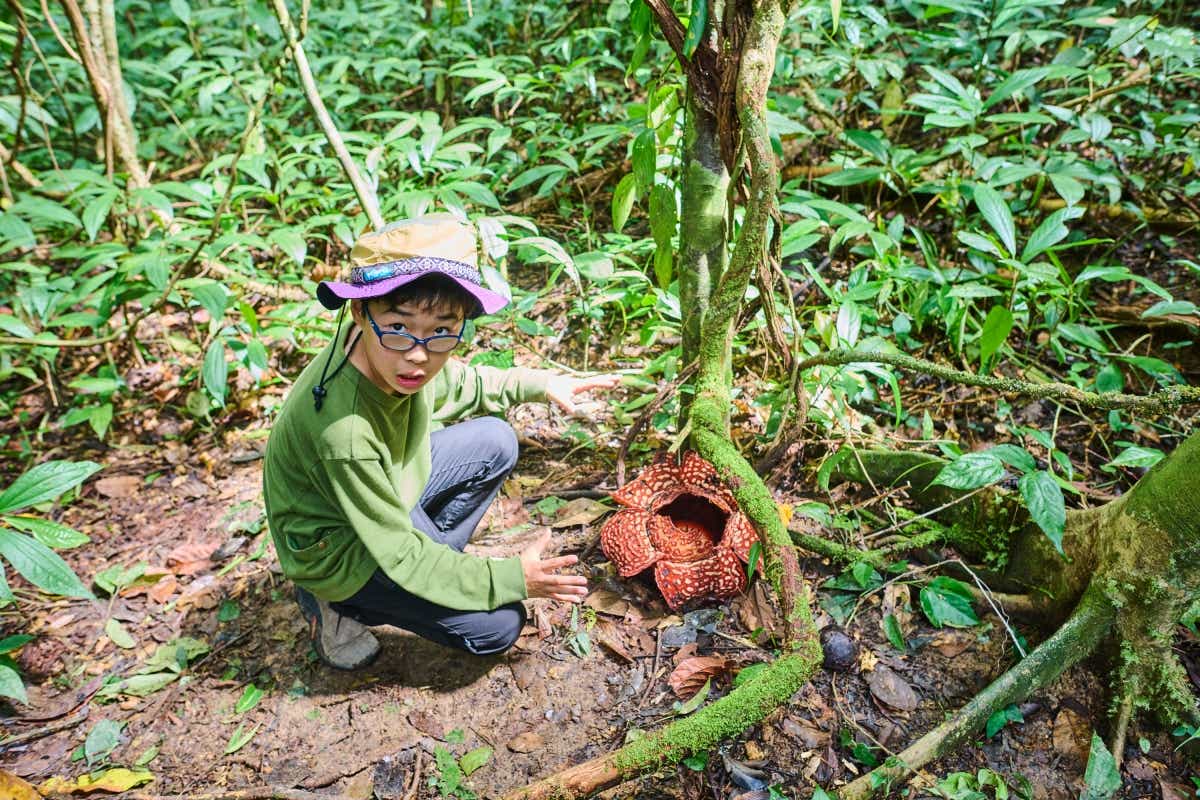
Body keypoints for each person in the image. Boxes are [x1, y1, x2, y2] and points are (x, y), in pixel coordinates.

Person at [263, 214, 617, 670]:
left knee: (495, 439)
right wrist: (512, 577)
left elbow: (461, 381)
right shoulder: (345, 431)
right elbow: (402, 553)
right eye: (399, 325)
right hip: (337, 545)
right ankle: (336, 603)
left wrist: (541, 382)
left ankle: (437, 576)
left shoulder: (387, 349)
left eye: (441, 331)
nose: (418, 354)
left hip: (381, 493)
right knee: (499, 626)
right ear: (360, 311)